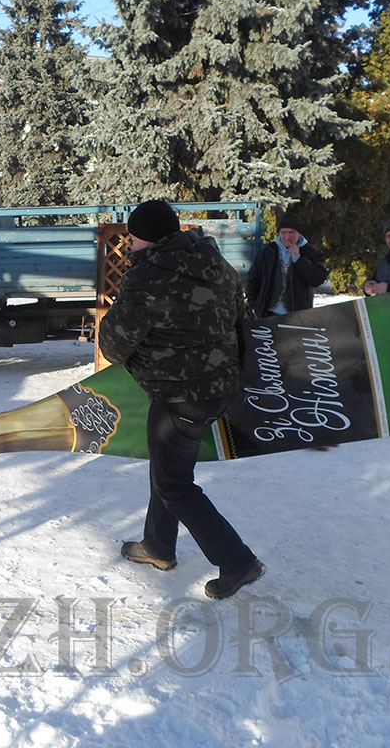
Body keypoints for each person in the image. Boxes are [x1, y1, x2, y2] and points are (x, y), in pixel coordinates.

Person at [99, 200, 263, 600]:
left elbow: (114, 345)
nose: (132, 245)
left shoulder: (149, 276)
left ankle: (237, 561)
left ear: (146, 238)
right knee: (167, 467)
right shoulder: (214, 261)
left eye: (134, 239)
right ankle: (157, 546)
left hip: (179, 396)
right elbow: (238, 317)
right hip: (219, 387)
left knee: (174, 485)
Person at [245, 209, 329, 318]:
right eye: (283, 232)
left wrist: (298, 259)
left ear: (299, 233)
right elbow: (253, 279)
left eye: (291, 232)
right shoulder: (268, 251)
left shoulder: (310, 252)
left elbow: (317, 279)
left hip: (298, 315)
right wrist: (253, 305)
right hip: (268, 314)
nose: (287, 237)